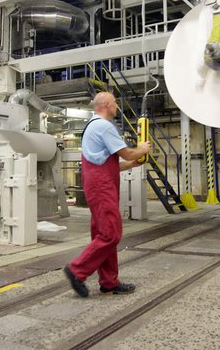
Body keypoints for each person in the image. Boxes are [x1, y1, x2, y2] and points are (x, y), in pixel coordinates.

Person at [64, 92, 152, 297]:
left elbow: (111, 164)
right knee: (111, 233)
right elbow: (128, 152)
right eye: (114, 104)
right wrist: (141, 149)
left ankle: (109, 281)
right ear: (106, 105)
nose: (117, 108)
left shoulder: (93, 126)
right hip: (102, 187)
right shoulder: (103, 126)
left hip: (99, 184)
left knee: (103, 234)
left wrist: (133, 163)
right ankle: (77, 270)